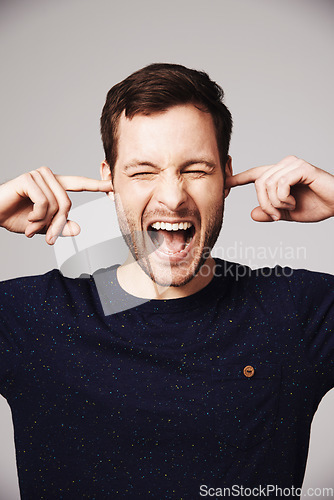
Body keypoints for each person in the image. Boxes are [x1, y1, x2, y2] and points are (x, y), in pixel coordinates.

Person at [0, 63, 333, 499]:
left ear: (227, 176)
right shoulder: (32, 317)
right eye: (143, 172)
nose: (173, 197)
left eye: (196, 169)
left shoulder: (296, 313)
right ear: (109, 181)